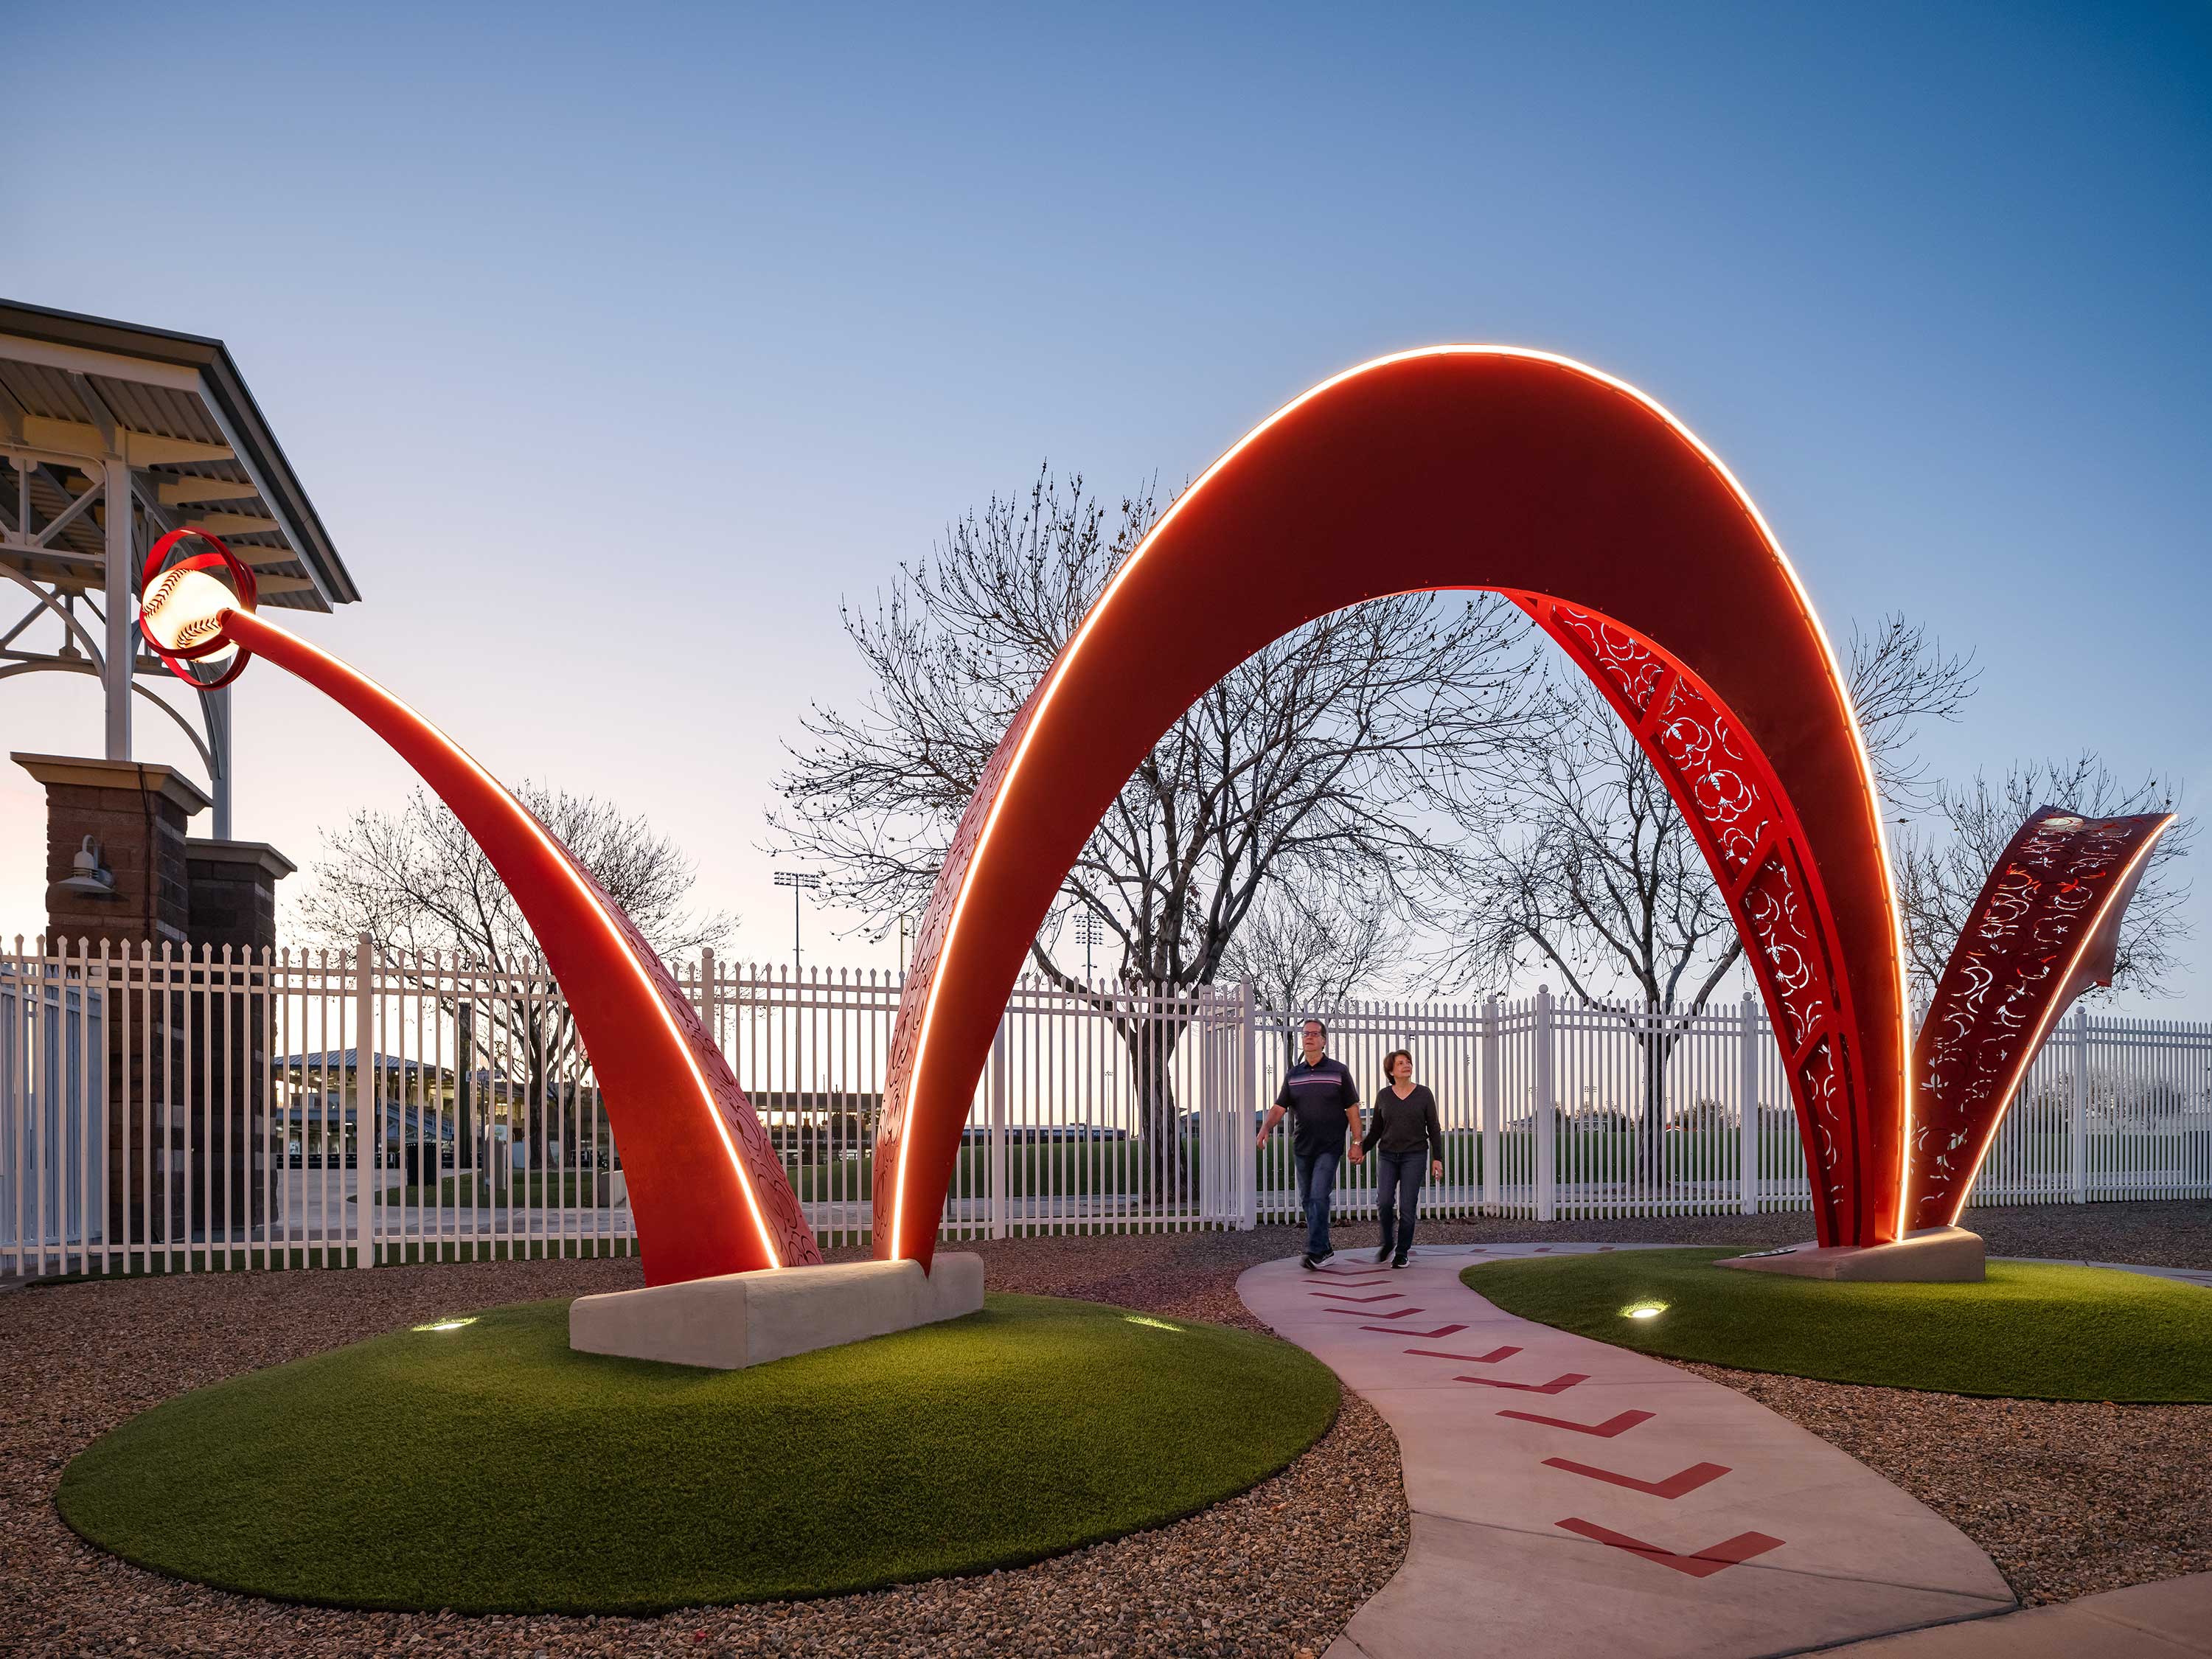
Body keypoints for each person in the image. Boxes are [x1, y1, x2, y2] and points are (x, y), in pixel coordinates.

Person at [1256, 1018, 1362, 1269]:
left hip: (1330, 1145)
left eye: (1315, 1034)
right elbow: (1279, 1107)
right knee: (1307, 1198)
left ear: (1324, 1041)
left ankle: (1315, 1250)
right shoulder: (1294, 1074)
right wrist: (1265, 1127)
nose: (1309, 1037)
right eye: (1306, 1034)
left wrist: (1357, 1142)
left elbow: (1352, 1108)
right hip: (1303, 1146)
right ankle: (1324, 1249)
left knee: (1318, 1195)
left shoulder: (1339, 1071)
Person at [1361, 1048, 1444, 1268]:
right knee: (1385, 1201)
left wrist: (1438, 1158)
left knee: (1407, 1207)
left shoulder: (1424, 1094)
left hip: (1415, 1156)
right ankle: (1388, 1242)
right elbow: (1376, 1130)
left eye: (1408, 1062)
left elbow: (1434, 1128)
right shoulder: (1384, 1096)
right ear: (1391, 1070)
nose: (1406, 1065)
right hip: (1387, 1155)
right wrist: (1362, 1150)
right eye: (1400, 1063)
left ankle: (1402, 1252)